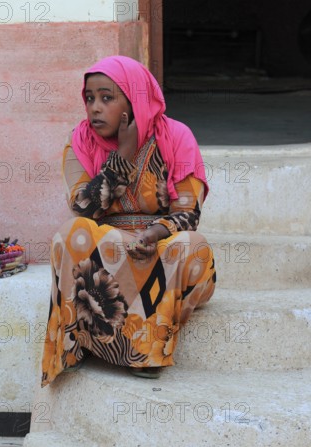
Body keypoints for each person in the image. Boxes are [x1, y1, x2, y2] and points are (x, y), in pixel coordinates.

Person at [41, 56, 216, 385]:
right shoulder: (79, 142)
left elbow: (188, 213)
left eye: (107, 98)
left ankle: (146, 350)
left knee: (193, 246)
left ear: (134, 99)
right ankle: (78, 342)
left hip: (161, 251)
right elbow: (85, 208)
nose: (94, 108)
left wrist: (156, 231)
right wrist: (123, 153)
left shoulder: (176, 136)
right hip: (111, 257)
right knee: (71, 233)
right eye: (90, 98)